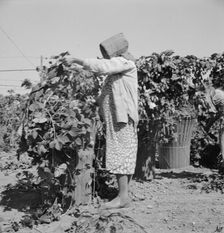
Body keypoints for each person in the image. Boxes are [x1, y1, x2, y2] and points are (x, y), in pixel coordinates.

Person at [64, 33, 139, 209]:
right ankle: (124, 196)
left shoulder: (124, 63)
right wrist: (96, 102)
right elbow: (109, 92)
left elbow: (103, 66)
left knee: (122, 154)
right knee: (124, 154)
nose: (106, 57)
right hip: (117, 119)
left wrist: (78, 60)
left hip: (122, 119)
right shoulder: (118, 67)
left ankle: (122, 197)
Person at [203, 80, 224, 172]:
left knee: (222, 138)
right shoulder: (218, 94)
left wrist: (207, 127)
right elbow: (218, 114)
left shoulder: (213, 96)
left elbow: (215, 113)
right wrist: (208, 126)